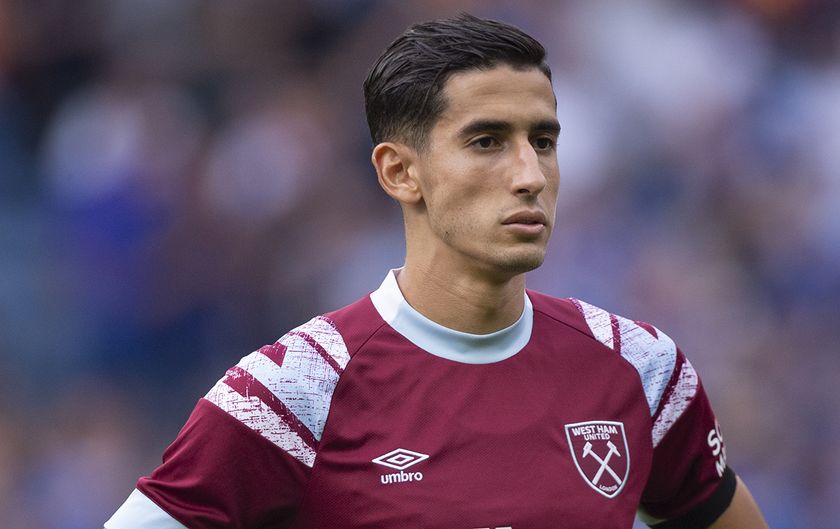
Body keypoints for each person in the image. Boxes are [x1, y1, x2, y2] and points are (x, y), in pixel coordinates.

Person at [105, 13, 769, 529]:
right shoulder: (294, 391)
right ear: (400, 171)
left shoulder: (642, 369)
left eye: (543, 141)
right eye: (487, 142)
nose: (531, 175)